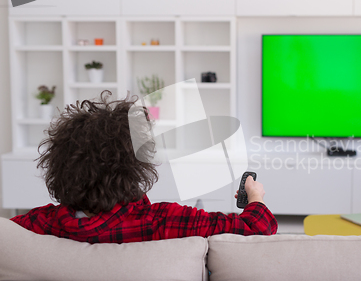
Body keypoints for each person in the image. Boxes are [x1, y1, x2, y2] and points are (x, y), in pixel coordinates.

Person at [11, 91, 277, 243]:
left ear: (59, 166)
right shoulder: (164, 222)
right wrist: (255, 196)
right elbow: (259, 227)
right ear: (135, 166)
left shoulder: (38, 224)